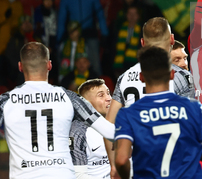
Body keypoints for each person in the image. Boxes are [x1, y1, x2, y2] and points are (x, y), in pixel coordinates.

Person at [0, 42, 115, 178]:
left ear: (20, 66)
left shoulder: (5, 101)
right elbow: (110, 132)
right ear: (49, 65)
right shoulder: (69, 97)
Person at [105, 17, 195, 176]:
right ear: (172, 39)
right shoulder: (182, 76)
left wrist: (113, 166)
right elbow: (192, 124)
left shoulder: (124, 77)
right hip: (173, 166)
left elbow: (109, 126)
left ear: (142, 43)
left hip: (136, 166)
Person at [114, 46, 202, 179]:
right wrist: (189, 151)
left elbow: (121, 159)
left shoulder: (127, 114)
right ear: (172, 74)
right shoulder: (194, 108)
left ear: (141, 77)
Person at [57, 0, 109, 76]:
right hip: (73, 34)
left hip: (89, 31)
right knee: (68, 62)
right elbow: (61, 19)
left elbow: (100, 14)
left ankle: (98, 85)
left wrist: (104, 33)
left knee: (94, 62)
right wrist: (59, 38)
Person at [69, 79, 112, 179]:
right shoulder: (77, 131)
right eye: (101, 95)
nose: (109, 98)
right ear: (86, 104)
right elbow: (78, 175)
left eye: (108, 93)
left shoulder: (121, 121)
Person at [113, 6, 142, 76]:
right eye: (130, 14)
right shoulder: (119, 29)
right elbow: (113, 47)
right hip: (120, 66)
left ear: (138, 16)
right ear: (126, 15)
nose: (132, 16)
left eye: (134, 14)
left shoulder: (143, 31)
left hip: (135, 65)